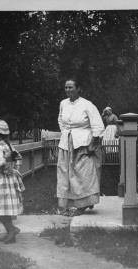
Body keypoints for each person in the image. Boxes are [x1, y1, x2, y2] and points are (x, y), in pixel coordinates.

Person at [57, 76, 105, 217]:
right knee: (65, 173)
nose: (67, 90)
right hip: (66, 143)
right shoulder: (63, 104)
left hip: (83, 145)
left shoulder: (87, 105)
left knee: (83, 175)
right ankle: (65, 205)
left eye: (70, 87)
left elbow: (98, 126)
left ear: (78, 89)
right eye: (66, 87)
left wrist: (92, 144)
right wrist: (66, 133)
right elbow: (61, 120)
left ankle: (83, 205)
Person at [0, 119, 25, 244]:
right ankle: (11, 232)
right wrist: (14, 169)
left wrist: (4, 169)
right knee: (3, 208)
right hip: (9, 181)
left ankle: (11, 229)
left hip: (2, 181)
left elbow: (2, 161)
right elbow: (18, 157)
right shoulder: (8, 145)